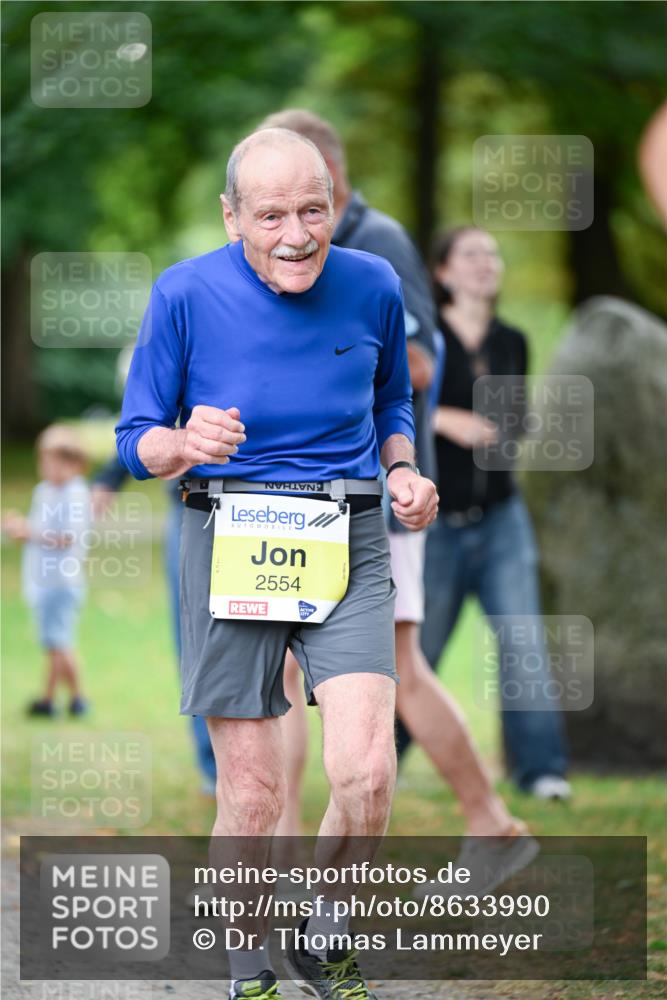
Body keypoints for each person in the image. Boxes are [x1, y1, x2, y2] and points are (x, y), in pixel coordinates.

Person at [115, 127, 437, 1000]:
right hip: (225, 537)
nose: (296, 234)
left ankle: (320, 927)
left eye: (312, 209)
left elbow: (391, 396)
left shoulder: (371, 282)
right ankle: (246, 969)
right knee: (252, 794)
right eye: (270, 216)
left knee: (367, 774)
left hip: (349, 532)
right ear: (231, 219)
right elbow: (133, 439)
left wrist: (403, 468)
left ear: (334, 203)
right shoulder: (182, 293)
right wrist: (183, 440)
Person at [261, 110, 534, 849]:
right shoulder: (305, 245)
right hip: (301, 502)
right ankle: (281, 850)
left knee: (399, 673)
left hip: (376, 497)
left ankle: (490, 822)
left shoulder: (375, 243)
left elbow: (417, 362)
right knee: (281, 680)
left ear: (327, 173)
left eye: (287, 177)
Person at [421, 224, 570, 800]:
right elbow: (386, 408)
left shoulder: (512, 340)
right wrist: (445, 420)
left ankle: (541, 771)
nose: (486, 263)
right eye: (471, 254)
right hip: (435, 524)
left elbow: (515, 420)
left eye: (493, 254)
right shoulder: (424, 337)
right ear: (443, 272)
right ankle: (380, 759)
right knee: (420, 650)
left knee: (524, 643)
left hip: (503, 519)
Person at [91, 460, 217, 793]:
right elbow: (150, 419)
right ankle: (214, 767)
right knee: (195, 644)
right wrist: (109, 477)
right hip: (194, 504)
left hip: (277, 503)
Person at [3, 425, 90, 717]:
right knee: (54, 642)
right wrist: (18, 527)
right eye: (45, 460)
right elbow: (38, 528)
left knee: (59, 642)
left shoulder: (76, 494)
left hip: (61, 581)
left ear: (76, 464)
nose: (49, 467)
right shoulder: (44, 491)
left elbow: (66, 536)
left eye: (57, 461)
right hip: (41, 580)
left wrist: (28, 532)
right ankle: (55, 698)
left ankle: (67, 698)